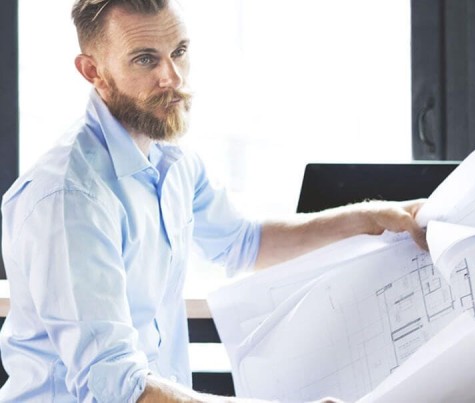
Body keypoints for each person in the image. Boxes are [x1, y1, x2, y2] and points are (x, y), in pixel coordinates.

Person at [0, 0, 428, 401]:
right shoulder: (70, 198)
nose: (174, 77)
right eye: (146, 59)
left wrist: (369, 218)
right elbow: (117, 388)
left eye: (179, 51)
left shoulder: (170, 156)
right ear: (93, 70)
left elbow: (243, 242)